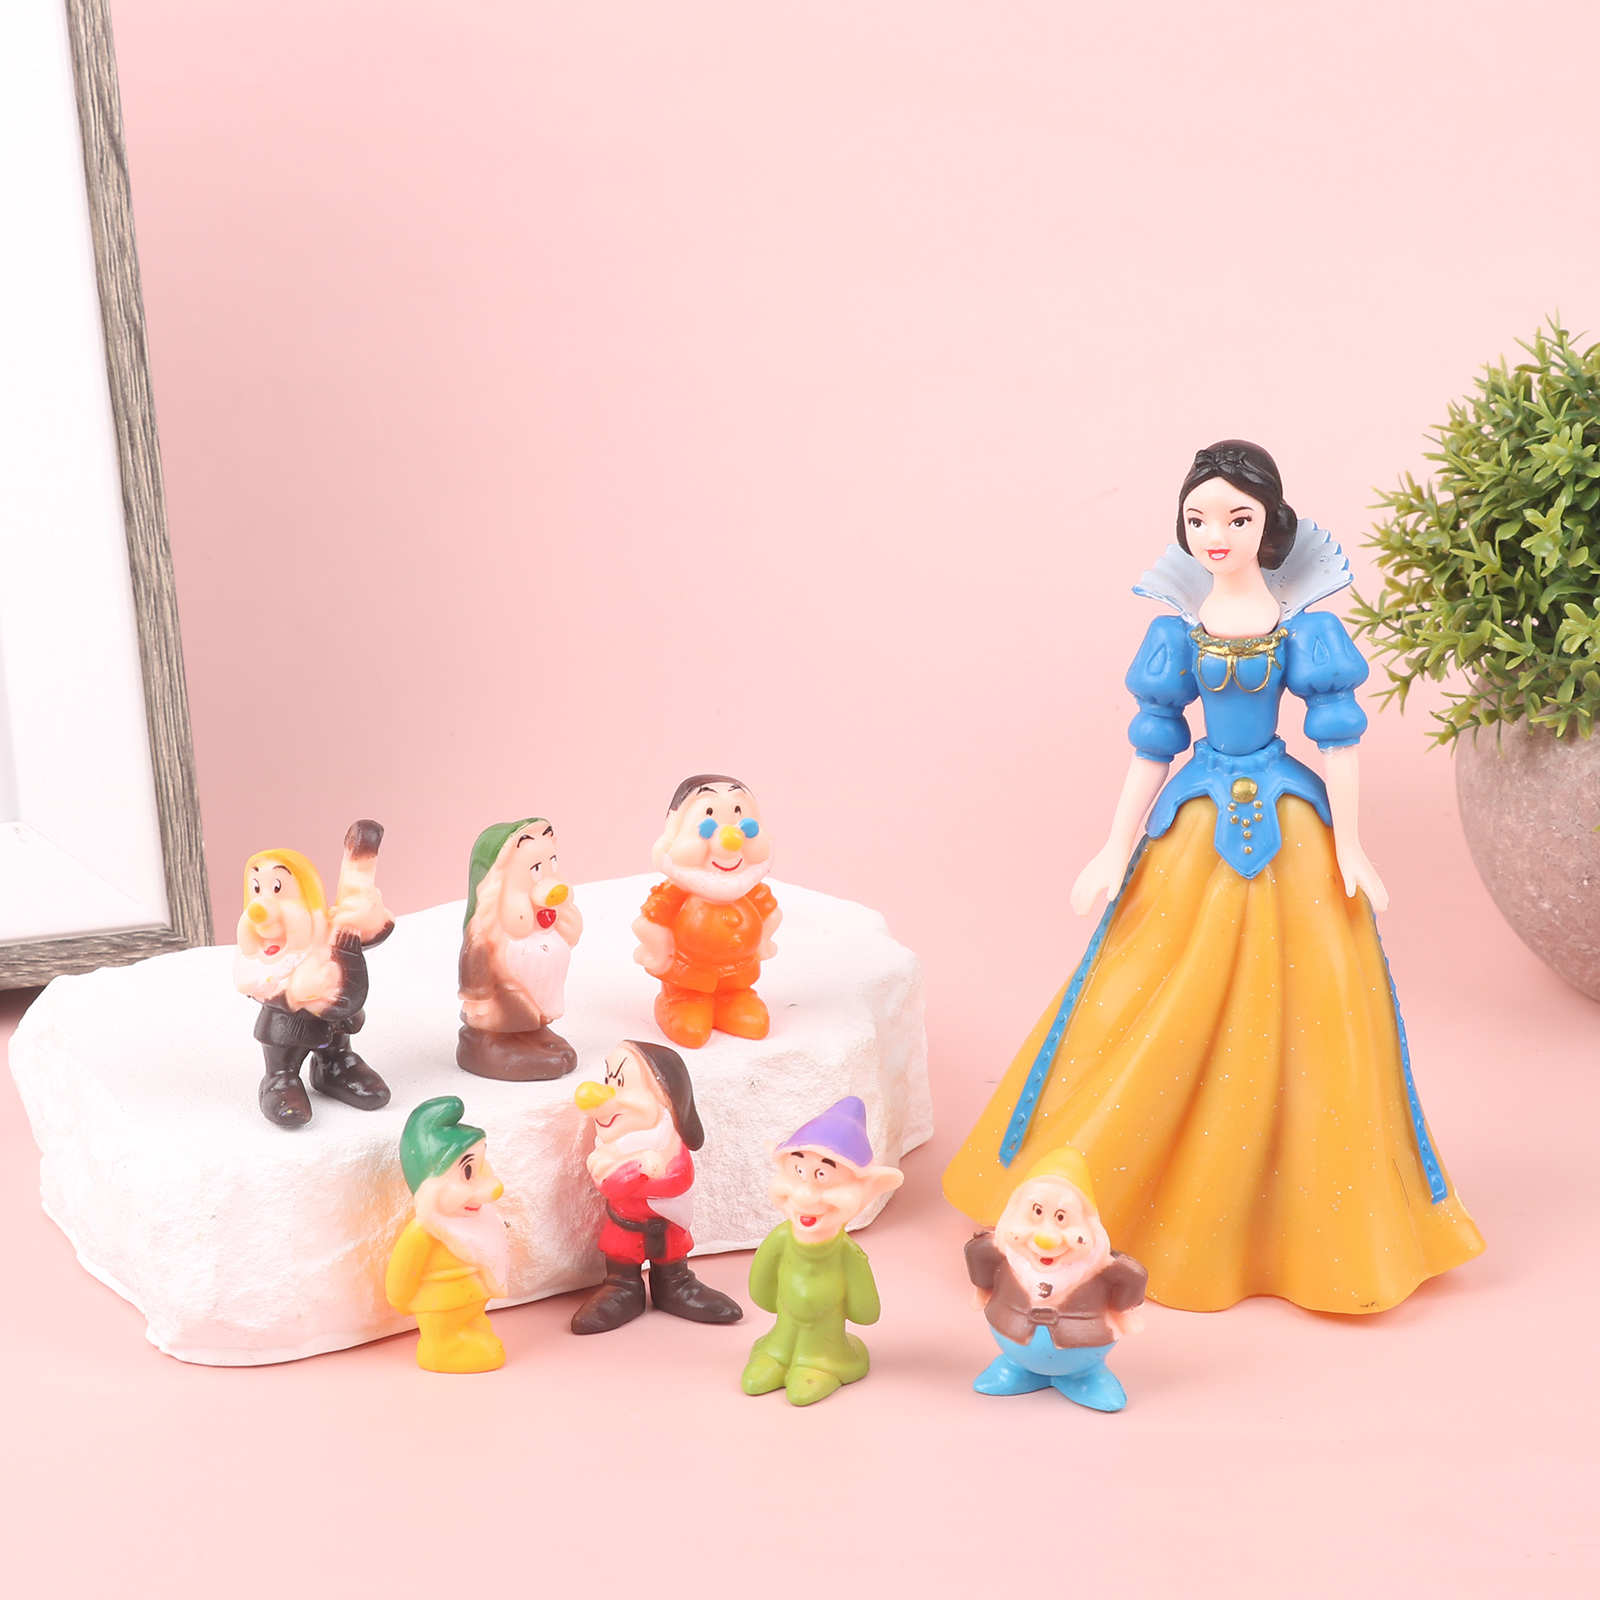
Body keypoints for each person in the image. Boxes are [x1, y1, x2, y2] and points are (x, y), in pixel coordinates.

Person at [943, 441, 1485, 1314]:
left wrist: (1351, 845)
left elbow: (1339, 739)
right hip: (1193, 822)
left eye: (1237, 516)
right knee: (1142, 996)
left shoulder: (1305, 629)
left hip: (1289, 824)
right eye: (1198, 518)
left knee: (1310, 1012)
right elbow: (1152, 743)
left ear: (1270, 524)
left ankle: (1287, 1220)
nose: (1216, 533)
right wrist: (1113, 847)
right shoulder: (1176, 632)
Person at [569, 1039, 743, 1333]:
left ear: (664, 1098)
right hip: (625, 1226)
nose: (601, 1095)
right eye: (609, 1080)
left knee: (672, 1257)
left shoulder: (670, 1146)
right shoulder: (606, 1153)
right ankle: (622, 1289)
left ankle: (676, 1285)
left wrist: (642, 1173)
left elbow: (678, 1180)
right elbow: (611, 1187)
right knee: (622, 1261)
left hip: (669, 1225)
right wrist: (638, 1168)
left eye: (621, 1083)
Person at [741, 1096, 903, 1406]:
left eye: (823, 1177)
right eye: (798, 1172)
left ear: (869, 1188)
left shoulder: (847, 1254)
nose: (805, 1195)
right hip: (782, 1332)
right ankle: (777, 1356)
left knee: (802, 1389)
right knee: (759, 1373)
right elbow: (761, 1289)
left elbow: (866, 1312)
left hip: (828, 1342)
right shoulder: (782, 1237)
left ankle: (819, 1364)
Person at [233, 820, 394, 1127]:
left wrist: (367, 908)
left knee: (337, 1038)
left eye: (277, 889)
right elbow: (250, 981)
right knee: (284, 1051)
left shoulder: (328, 930)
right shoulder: (259, 953)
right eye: (256, 889)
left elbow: (366, 929)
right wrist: (292, 992)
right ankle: (280, 1079)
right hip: (286, 1024)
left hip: (335, 1016)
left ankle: (335, 1066)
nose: (263, 906)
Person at [965, 1147, 1145, 1412]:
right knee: (1012, 1362)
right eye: (1036, 1213)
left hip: (1084, 1350)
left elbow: (1133, 1277)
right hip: (1013, 1338)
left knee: (1088, 1373)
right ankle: (1015, 1367)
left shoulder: (1103, 1269)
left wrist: (1123, 1312)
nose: (1046, 1238)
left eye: (1062, 1218)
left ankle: (1086, 1378)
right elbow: (976, 1253)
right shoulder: (1002, 1255)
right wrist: (982, 1290)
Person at [632, 774, 781, 1049]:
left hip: (740, 971)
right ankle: (680, 1000)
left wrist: (763, 941)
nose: (731, 841)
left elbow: (771, 913)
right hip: (688, 973)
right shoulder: (677, 890)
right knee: (691, 1026)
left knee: (751, 1016)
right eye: (708, 824)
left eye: (742, 821)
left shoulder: (748, 887)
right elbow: (649, 923)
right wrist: (660, 954)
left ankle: (734, 998)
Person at [385, 1097, 508, 1373]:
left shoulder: (473, 1227)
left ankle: (466, 1334)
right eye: (468, 1172)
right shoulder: (424, 1232)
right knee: (484, 1350)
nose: (492, 1188)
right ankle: (439, 1350)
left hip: (472, 1305)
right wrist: (401, 1300)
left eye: (482, 1168)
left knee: (485, 1338)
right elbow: (401, 1276)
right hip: (441, 1308)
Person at [457, 817, 583, 1080]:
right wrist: (476, 996)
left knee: (540, 1020)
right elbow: (474, 959)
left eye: (552, 864)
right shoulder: (487, 928)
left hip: (533, 998)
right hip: (499, 1002)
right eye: (535, 869)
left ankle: (532, 1032)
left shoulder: (545, 919)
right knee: (506, 1013)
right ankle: (490, 1042)